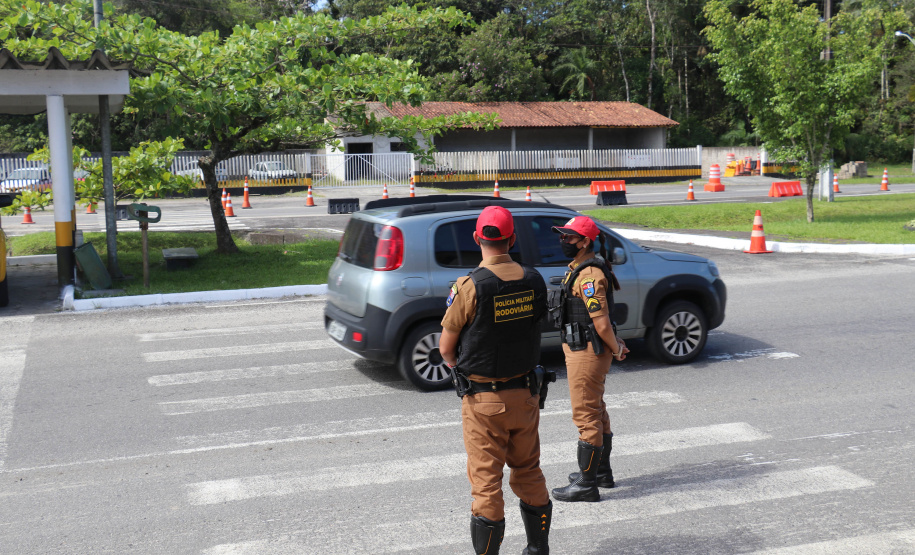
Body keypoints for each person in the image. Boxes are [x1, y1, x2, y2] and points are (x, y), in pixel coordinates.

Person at [439, 205, 553, 555]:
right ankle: (538, 549)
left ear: (477, 238)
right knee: (529, 471)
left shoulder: (470, 286)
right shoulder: (534, 280)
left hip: (484, 401)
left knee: (487, 486)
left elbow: (446, 349)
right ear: (512, 239)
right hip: (526, 395)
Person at [548, 215, 629, 503]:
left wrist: (616, 347)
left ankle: (586, 484)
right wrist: (615, 344)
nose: (563, 241)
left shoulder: (589, 276)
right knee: (596, 409)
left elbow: (602, 323)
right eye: (562, 236)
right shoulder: (580, 269)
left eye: (569, 237)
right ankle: (601, 472)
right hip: (584, 349)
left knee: (586, 415)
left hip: (586, 353)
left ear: (585, 242)